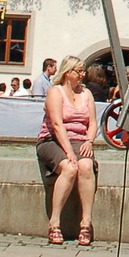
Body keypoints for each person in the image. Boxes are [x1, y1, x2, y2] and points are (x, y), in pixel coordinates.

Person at [36, 56, 97, 245]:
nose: (82, 75)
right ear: (67, 73)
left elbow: (93, 123)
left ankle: (86, 222)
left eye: (83, 71)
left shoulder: (86, 94)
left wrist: (89, 141)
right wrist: (69, 151)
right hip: (52, 139)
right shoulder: (56, 92)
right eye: (78, 71)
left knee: (86, 166)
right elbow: (56, 124)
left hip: (80, 140)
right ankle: (55, 222)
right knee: (70, 168)